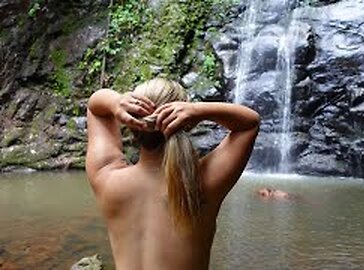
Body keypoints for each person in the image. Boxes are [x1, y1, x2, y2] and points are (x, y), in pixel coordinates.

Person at [85, 78, 260, 270]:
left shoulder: (107, 178)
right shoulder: (201, 185)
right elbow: (249, 123)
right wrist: (199, 110)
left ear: (129, 122)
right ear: (186, 123)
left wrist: (116, 102)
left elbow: (95, 107)